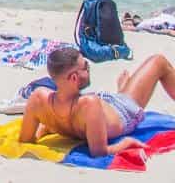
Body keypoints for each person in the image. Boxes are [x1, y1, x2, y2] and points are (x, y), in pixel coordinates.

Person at [20, 48, 175, 158]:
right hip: (123, 111)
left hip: (102, 107)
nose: (89, 69)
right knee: (158, 61)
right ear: (74, 78)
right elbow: (99, 152)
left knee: (110, 97)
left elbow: (25, 139)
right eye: (85, 67)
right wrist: (126, 143)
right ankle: (122, 90)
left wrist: (47, 128)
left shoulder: (38, 98)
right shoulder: (89, 104)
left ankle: (122, 89)